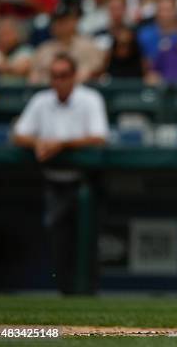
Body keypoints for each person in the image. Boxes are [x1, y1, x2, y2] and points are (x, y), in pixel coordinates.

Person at [12, 53, 108, 295]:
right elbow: (18, 134)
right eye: (54, 76)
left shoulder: (89, 98)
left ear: (74, 76)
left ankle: (90, 295)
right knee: (59, 241)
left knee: (87, 242)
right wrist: (39, 142)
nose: (59, 81)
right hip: (53, 181)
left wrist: (61, 144)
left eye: (64, 75)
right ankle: (66, 294)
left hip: (85, 182)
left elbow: (99, 137)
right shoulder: (41, 100)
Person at [30, 4, 105, 84]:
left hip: (82, 92)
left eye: (64, 21)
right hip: (49, 93)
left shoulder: (89, 46)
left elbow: (96, 72)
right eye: (56, 21)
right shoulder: (43, 49)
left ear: (74, 22)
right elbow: (34, 78)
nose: (60, 25)